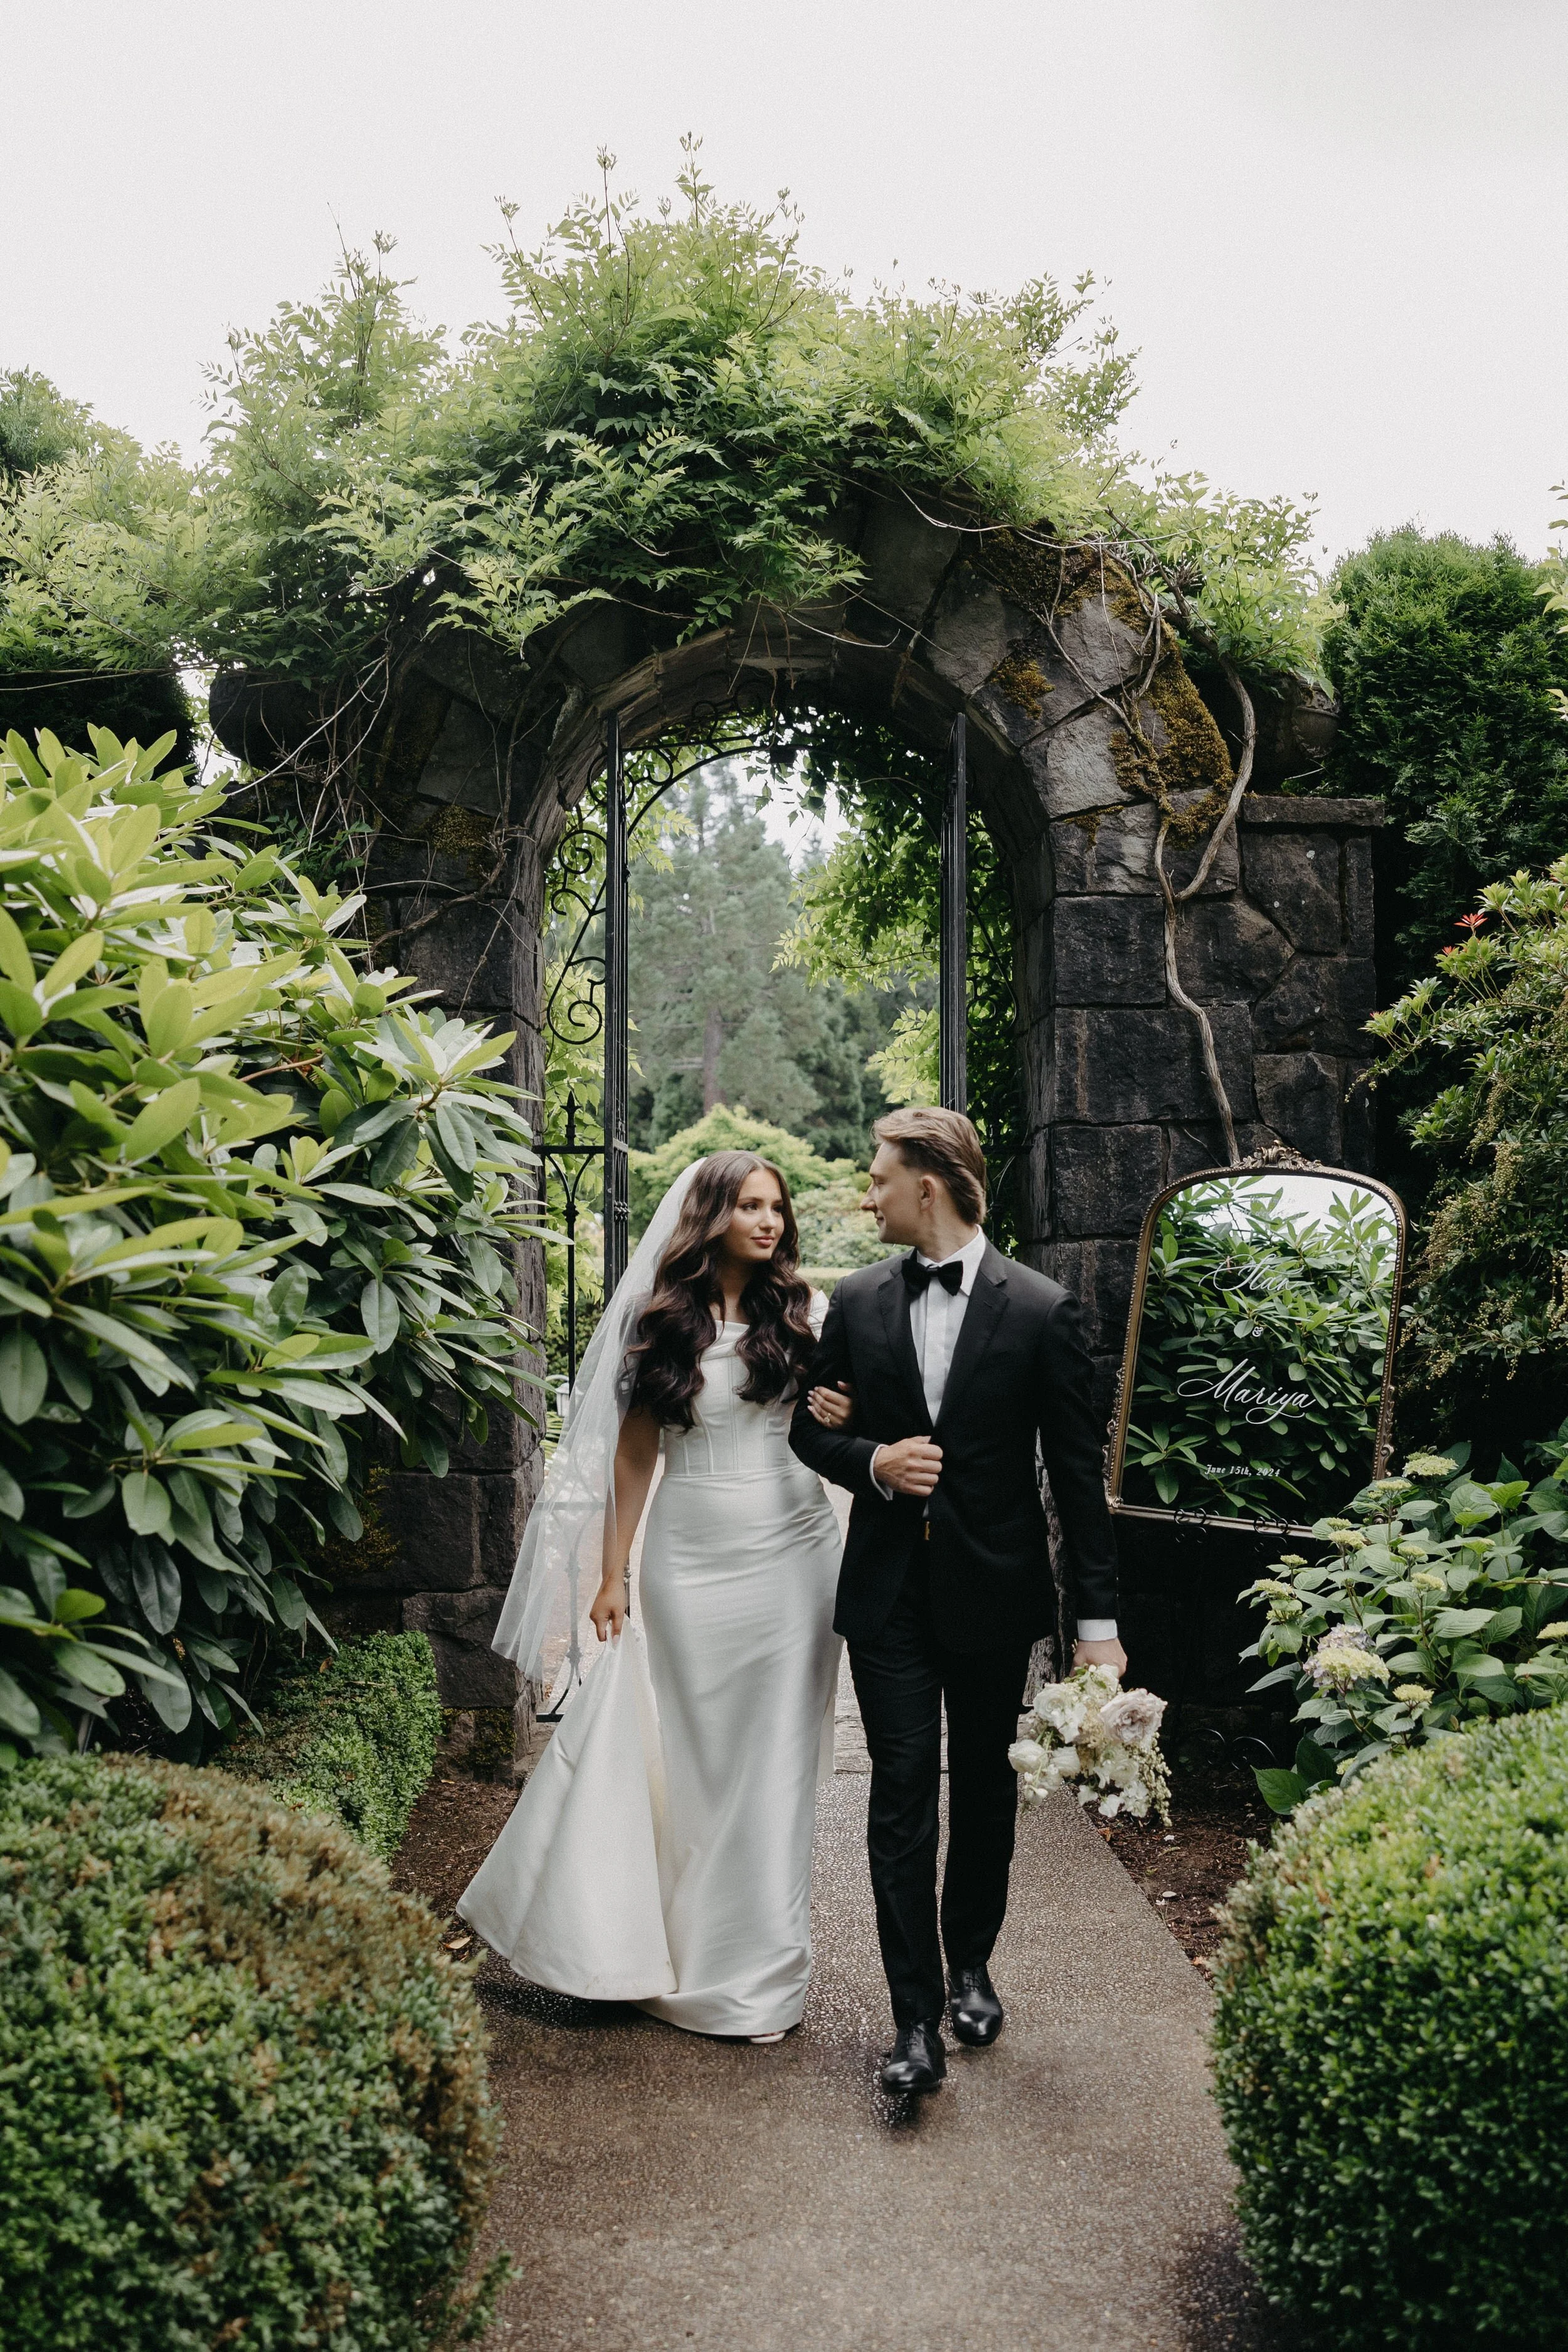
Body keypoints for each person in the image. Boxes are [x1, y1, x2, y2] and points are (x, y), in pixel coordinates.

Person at [460, 1152, 855, 2043]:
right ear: (710, 1213)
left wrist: (842, 1413)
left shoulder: (807, 1315)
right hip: (690, 1558)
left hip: (796, 1556)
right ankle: (676, 1947)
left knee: (779, 1767)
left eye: (778, 1208)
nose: (770, 1221)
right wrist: (614, 1574)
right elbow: (633, 1456)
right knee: (697, 1764)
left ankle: (762, 1975)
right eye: (751, 1205)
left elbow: (849, 1415)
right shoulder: (663, 1320)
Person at [789, 1106, 1124, 2095]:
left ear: (927, 1184)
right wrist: (873, 1460)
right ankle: (913, 2018)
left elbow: (1077, 1478)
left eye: (879, 1177)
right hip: (886, 1594)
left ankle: (971, 1959)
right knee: (900, 1792)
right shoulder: (854, 1299)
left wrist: (1095, 1630)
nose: (868, 1193)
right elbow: (810, 1433)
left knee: (982, 1789)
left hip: (993, 1590)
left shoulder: (1040, 1308)